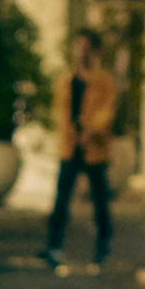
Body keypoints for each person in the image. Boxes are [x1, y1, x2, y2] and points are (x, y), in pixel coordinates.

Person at [44, 30, 119, 267]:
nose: (82, 52)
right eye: (79, 47)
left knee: (99, 199)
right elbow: (61, 110)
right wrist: (71, 134)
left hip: (94, 149)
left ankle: (103, 244)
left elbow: (108, 110)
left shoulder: (104, 80)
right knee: (61, 197)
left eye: (86, 47)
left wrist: (91, 131)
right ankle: (54, 245)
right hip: (71, 147)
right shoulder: (66, 79)